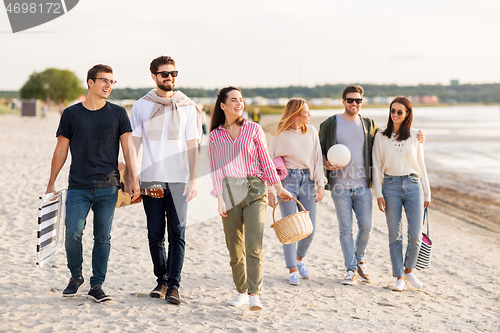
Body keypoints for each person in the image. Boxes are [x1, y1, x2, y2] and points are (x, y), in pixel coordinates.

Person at [46, 64, 140, 302]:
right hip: (78, 185)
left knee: (103, 237)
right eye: (104, 80)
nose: (109, 85)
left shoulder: (118, 113)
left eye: (112, 81)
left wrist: (132, 178)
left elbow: (128, 149)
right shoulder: (71, 114)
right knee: (72, 233)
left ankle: (97, 285)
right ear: (90, 82)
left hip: (108, 186)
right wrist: (51, 183)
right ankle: (76, 276)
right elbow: (60, 151)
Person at [319, 85, 425, 286]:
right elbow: (320, 150)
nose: (354, 104)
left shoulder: (368, 125)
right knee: (345, 229)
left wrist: (418, 136)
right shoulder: (330, 124)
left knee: (366, 226)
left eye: (358, 100)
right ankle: (351, 270)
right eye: (350, 100)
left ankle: (359, 258)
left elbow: (391, 136)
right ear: (343, 101)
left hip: (362, 186)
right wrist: (326, 164)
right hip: (340, 186)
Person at [208, 86, 292, 311]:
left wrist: (278, 187)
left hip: (255, 190)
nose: (239, 104)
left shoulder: (253, 129)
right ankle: (241, 291)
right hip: (229, 192)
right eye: (233, 100)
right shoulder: (215, 135)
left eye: (241, 100)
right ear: (223, 105)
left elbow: (266, 161)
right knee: (234, 249)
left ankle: (255, 294)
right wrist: (218, 197)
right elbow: (215, 169)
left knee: (253, 244)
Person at [130, 56, 200, 305]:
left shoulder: (188, 106)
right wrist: (132, 177)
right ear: (153, 76)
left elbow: (193, 144)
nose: (169, 77)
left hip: (180, 179)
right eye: (164, 74)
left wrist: (193, 178)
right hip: (151, 178)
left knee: (178, 233)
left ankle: (174, 285)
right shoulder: (141, 106)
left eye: (173, 73)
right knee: (155, 234)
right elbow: (134, 144)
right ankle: (161, 280)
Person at [372, 96, 431, 292]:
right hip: (390, 186)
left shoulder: (415, 135)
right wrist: (378, 193)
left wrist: (427, 193)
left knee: (415, 235)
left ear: (407, 114)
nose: (395, 114)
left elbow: (421, 165)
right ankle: (399, 277)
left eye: (400, 111)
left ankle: (408, 269)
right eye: (392, 111)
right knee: (394, 235)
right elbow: (377, 166)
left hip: (414, 186)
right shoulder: (380, 136)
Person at [267, 98, 327, 285]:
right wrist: (271, 190)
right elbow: (268, 163)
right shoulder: (279, 135)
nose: (309, 115)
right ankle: (292, 269)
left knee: (310, 230)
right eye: (306, 112)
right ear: (296, 114)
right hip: (287, 182)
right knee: (290, 230)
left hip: (308, 181)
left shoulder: (312, 132)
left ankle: (299, 259)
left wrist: (320, 183)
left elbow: (317, 159)